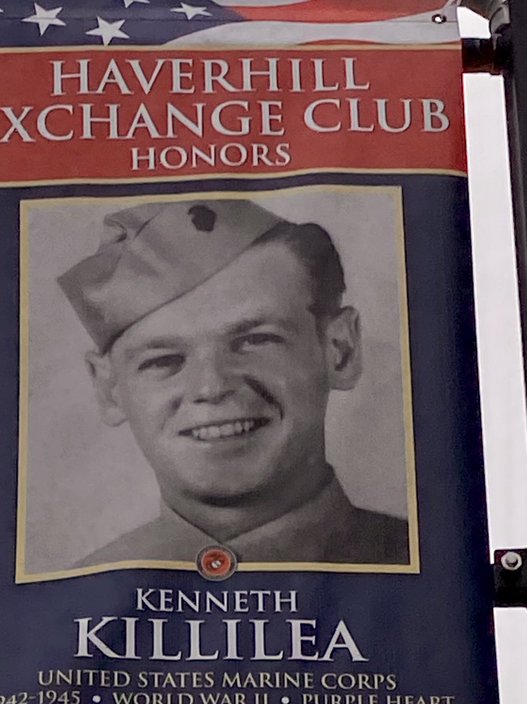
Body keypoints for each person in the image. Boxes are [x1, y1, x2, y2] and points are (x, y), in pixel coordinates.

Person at [58, 197, 410, 568]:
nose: (212, 387)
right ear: (109, 389)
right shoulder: (73, 593)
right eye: (163, 360)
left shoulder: (434, 572)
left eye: (256, 341)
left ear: (340, 350)